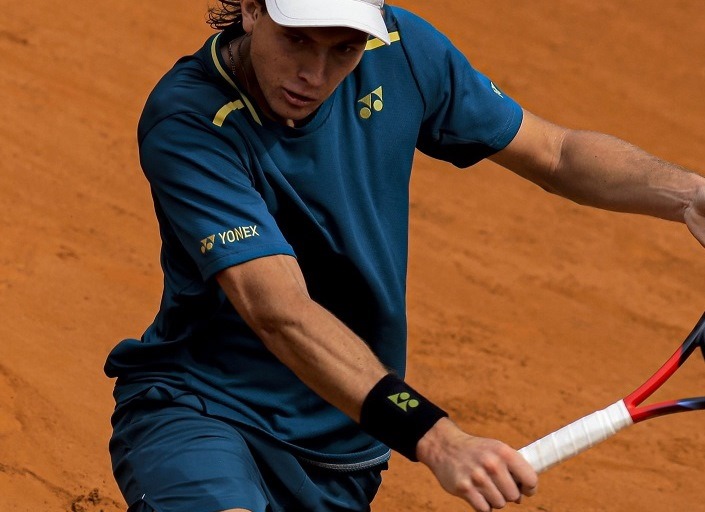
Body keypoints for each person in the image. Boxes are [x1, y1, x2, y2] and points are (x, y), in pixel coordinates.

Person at [104, 0, 705, 511]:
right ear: (252, 9)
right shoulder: (190, 120)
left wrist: (691, 194)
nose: (313, 73)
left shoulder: (399, 49)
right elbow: (279, 310)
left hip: (345, 446)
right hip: (205, 408)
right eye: (297, 40)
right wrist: (437, 440)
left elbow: (557, 153)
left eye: (343, 49)